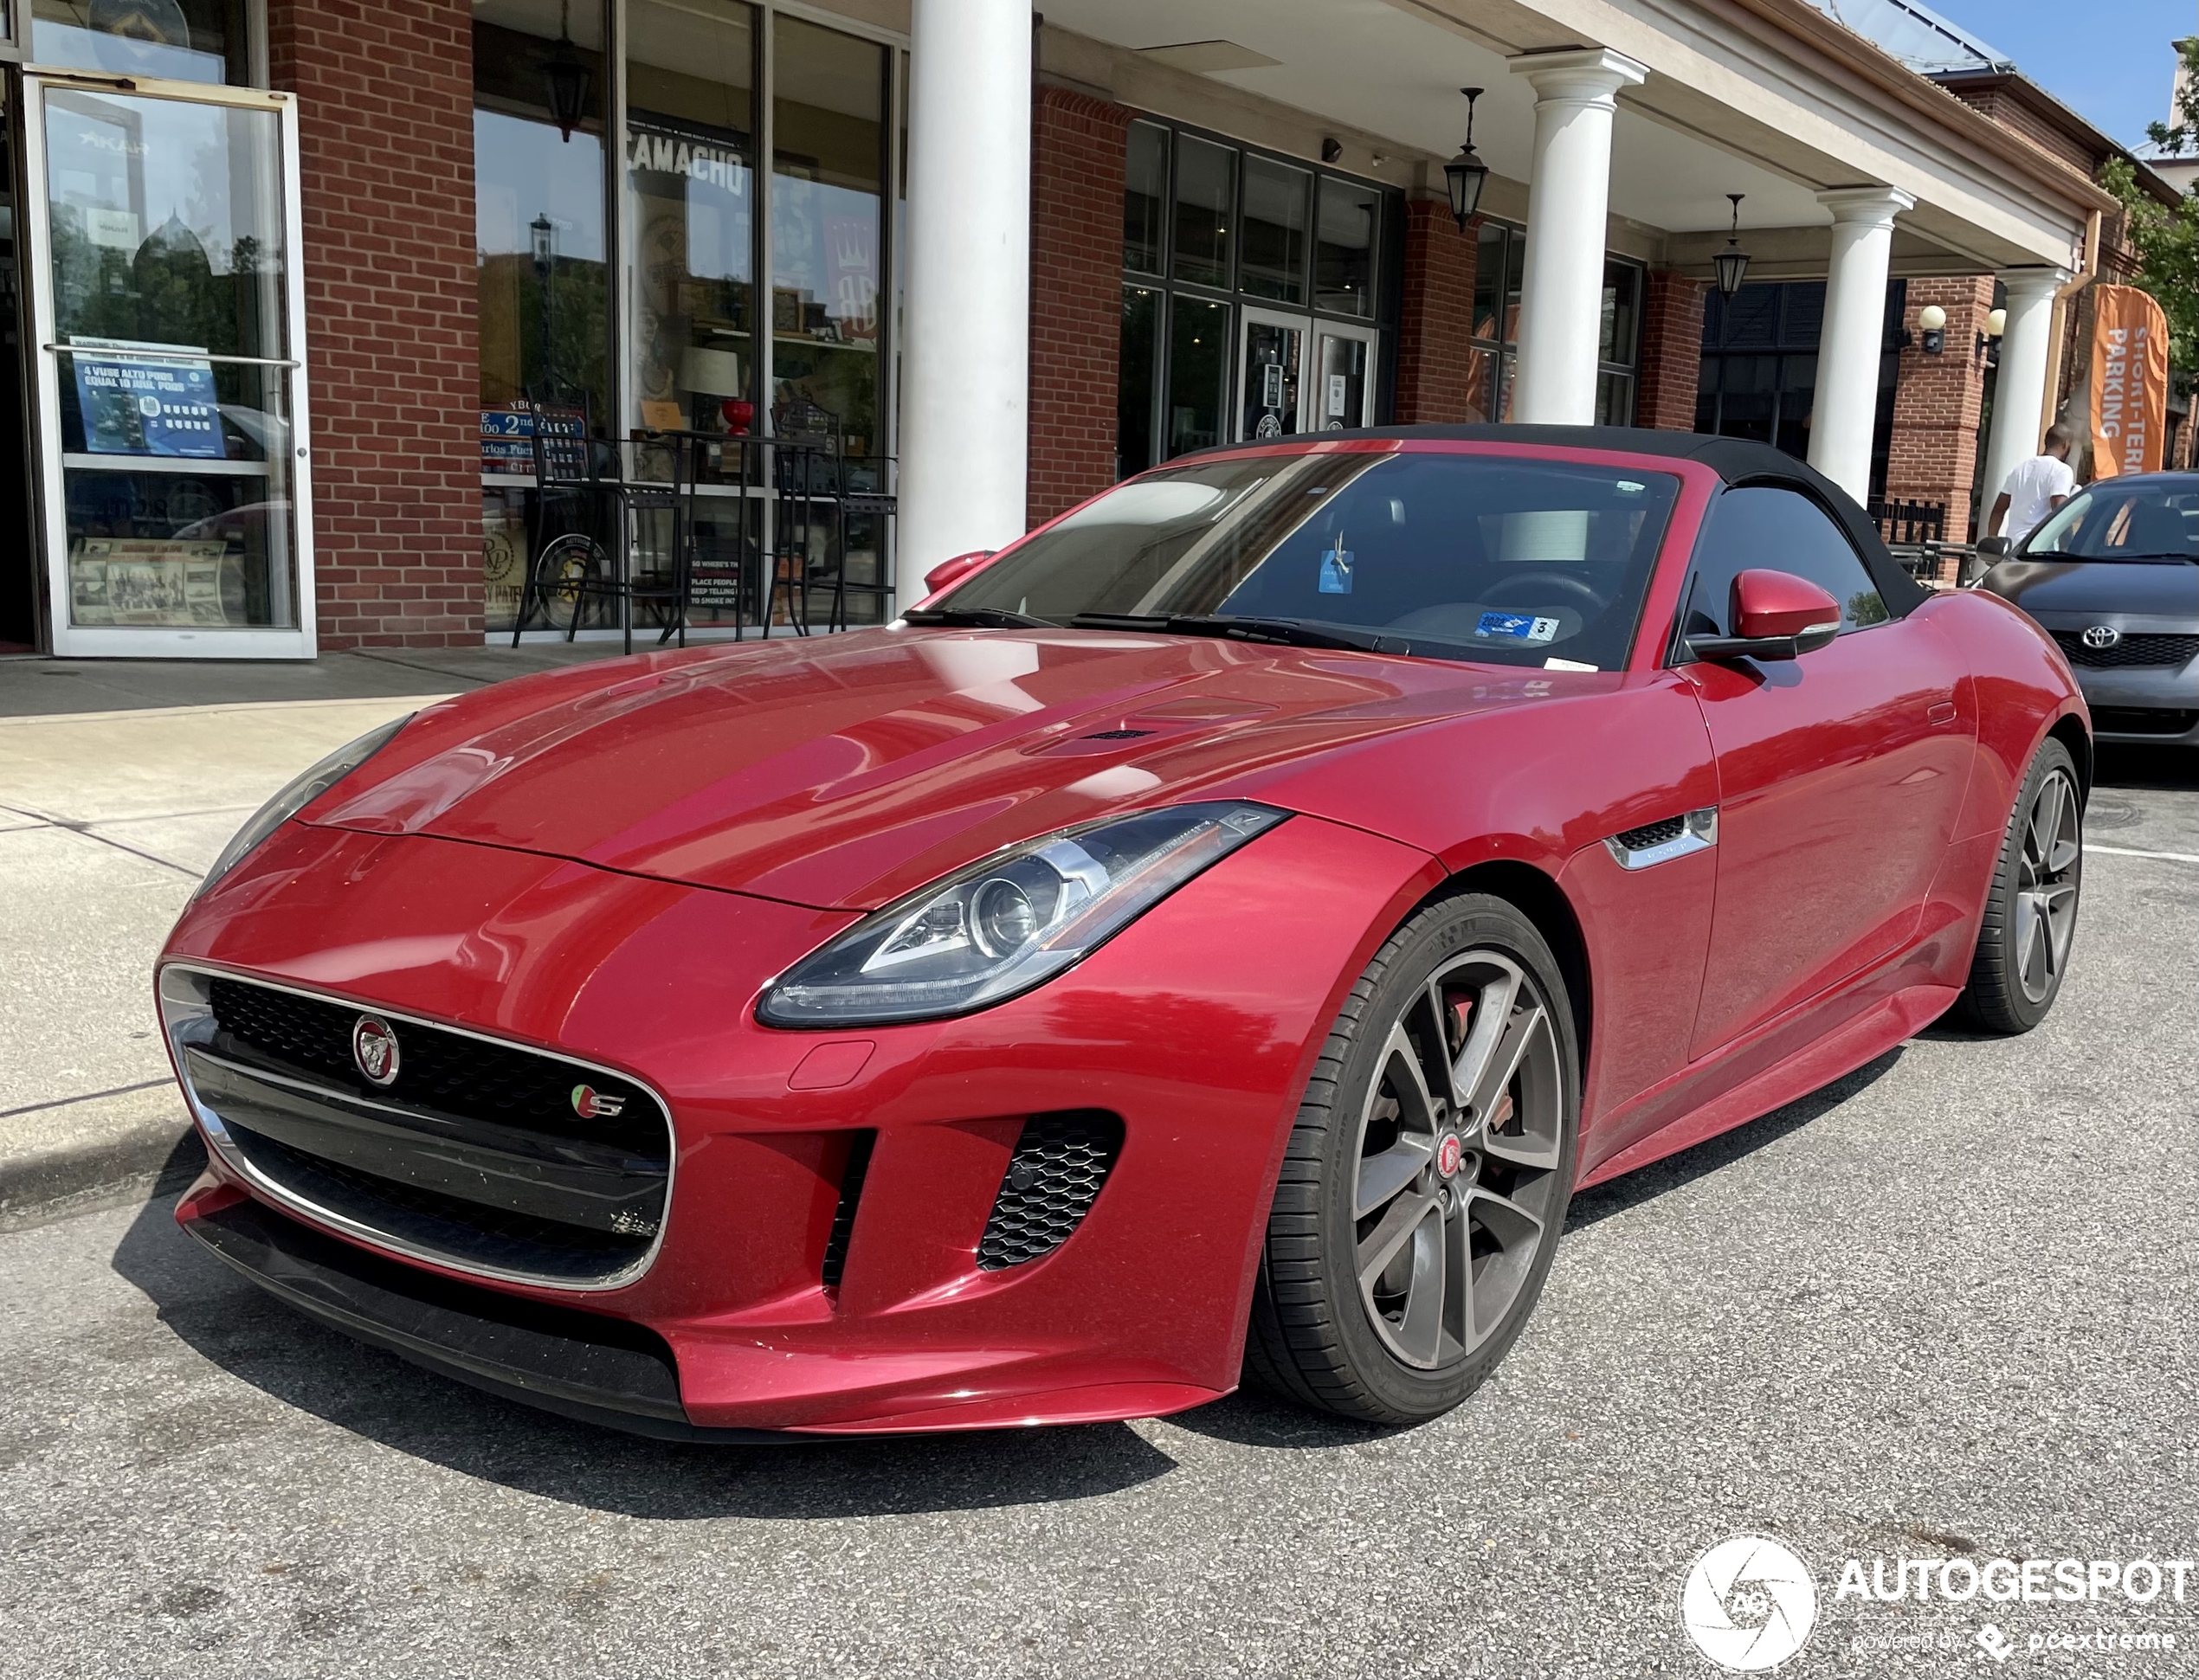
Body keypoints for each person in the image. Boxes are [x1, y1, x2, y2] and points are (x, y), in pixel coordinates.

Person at [1986, 423, 2077, 546]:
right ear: (2066, 445)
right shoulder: (2061, 470)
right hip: (2040, 549)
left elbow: (1998, 510)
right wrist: (2068, 547)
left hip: (2014, 548)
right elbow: (2060, 512)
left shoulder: (2019, 470)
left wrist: (1992, 544)